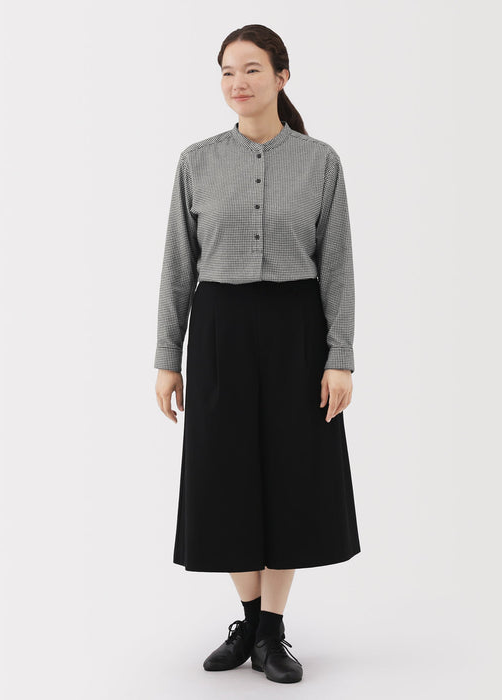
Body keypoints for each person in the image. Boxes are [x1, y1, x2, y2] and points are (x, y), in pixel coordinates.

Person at [154, 24, 361, 684]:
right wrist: (166, 358)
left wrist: (340, 356)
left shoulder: (320, 162)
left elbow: (338, 266)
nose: (237, 82)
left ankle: (271, 631)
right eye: (226, 71)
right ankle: (248, 620)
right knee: (226, 476)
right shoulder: (196, 161)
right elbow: (177, 266)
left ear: (281, 76)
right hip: (219, 330)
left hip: (297, 331)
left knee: (292, 475)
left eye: (251, 69)